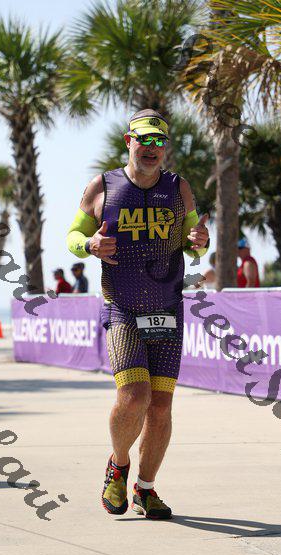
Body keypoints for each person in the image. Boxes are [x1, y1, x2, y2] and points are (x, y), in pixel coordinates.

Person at [66, 108, 210, 519]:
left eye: (159, 141)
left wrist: (201, 239)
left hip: (167, 307)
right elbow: (73, 235)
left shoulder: (178, 188)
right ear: (129, 142)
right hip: (123, 307)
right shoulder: (103, 186)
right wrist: (89, 245)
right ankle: (118, 465)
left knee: (160, 406)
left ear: (165, 148)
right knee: (134, 397)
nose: (151, 148)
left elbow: (196, 242)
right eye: (144, 140)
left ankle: (145, 490)